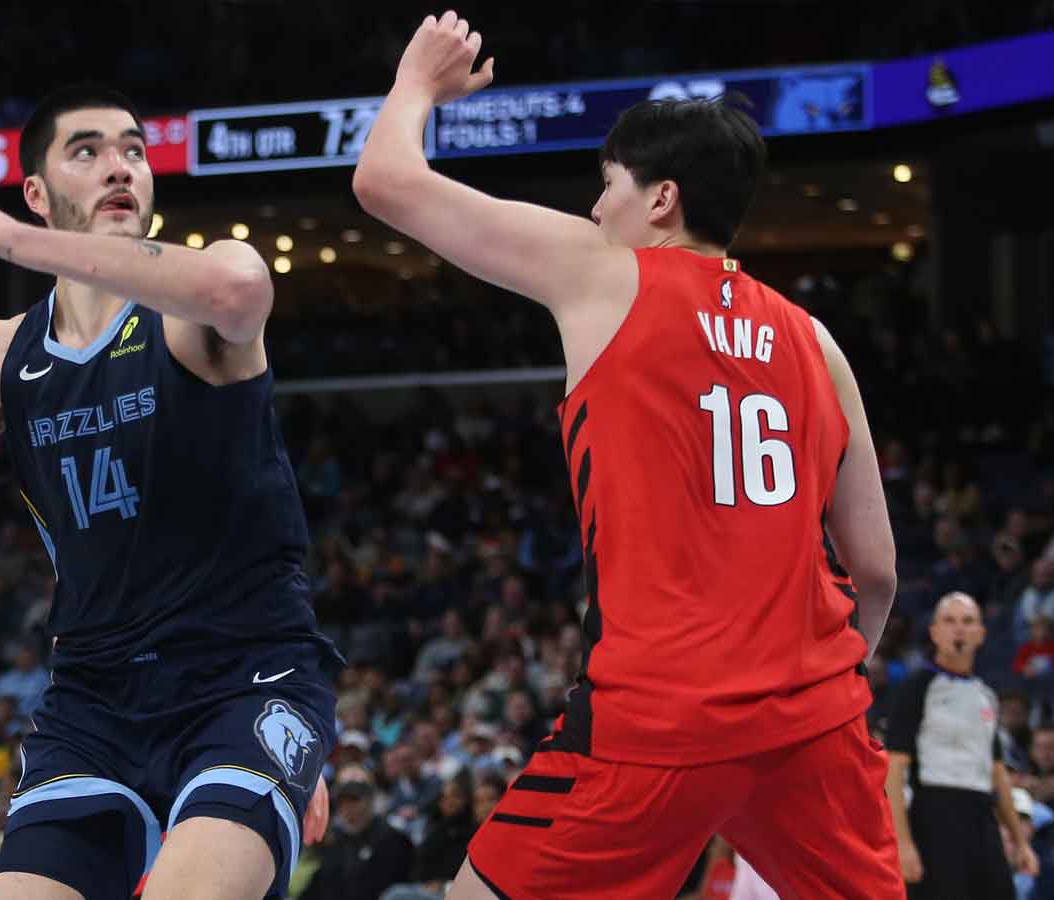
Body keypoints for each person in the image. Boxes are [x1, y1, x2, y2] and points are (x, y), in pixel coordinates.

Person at [353, 12, 900, 898]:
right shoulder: (816, 340)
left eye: (605, 184)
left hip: (656, 722)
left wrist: (417, 80)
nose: (593, 206)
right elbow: (875, 571)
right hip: (816, 723)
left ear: (661, 199)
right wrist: (811, 693)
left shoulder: (606, 271)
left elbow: (384, 181)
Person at [0, 83, 340, 900]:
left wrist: (2, 238)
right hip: (95, 700)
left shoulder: (193, 302)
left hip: (244, 679)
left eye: (132, 150)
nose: (120, 167)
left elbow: (238, 291)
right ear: (40, 194)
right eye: (87, 152)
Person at [886, 592, 1037, 898]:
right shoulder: (916, 689)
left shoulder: (987, 695)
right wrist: (902, 844)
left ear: (981, 633)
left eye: (967, 621)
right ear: (934, 632)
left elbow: (997, 772)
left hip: (982, 815)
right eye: (949, 621)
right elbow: (894, 767)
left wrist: (1020, 842)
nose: (959, 629)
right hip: (933, 814)